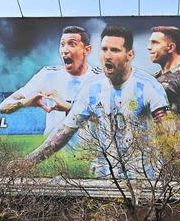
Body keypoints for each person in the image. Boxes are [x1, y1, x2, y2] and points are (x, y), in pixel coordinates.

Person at [22, 25, 169, 175]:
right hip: (106, 177)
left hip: (144, 178)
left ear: (129, 55)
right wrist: (26, 162)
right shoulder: (92, 89)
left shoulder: (148, 86)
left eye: (115, 50)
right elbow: (64, 132)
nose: (108, 55)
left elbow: (168, 132)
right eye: (104, 49)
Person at [0, 26, 103, 137]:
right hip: (51, 153)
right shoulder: (47, 74)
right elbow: (3, 106)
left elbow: (108, 118)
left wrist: (68, 107)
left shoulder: (100, 78)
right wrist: (23, 103)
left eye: (72, 44)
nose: (65, 50)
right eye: (62, 44)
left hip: (87, 152)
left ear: (86, 50)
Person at [147, 26, 180, 115]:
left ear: (171, 47)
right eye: (150, 42)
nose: (148, 47)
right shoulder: (153, 78)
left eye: (155, 43)